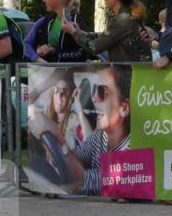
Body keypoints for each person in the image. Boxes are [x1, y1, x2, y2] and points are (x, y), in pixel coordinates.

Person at [28, 66, 131, 196]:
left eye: (102, 92)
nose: (94, 98)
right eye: (94, 90)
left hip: (112, 213)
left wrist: (59, 139)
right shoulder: (100, 136)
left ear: (124, 108)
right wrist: (50, 142)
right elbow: (73, 158)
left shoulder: (133, 148)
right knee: (36, 163)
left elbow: (84, 181)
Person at [63, 0, 151, 63]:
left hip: (129, 75)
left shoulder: (121, 20)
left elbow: (95, 46)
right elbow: (105, 36)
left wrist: (74, 32)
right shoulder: (128, 16)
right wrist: (79, 32)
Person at [25, 0, 91, 63]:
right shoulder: (44, 21)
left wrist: (55, 52)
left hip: (72, 73)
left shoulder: (76, 21)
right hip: (49, 73)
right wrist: (36, 57)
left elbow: (84, 53)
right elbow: (26, 44)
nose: (44, 0)